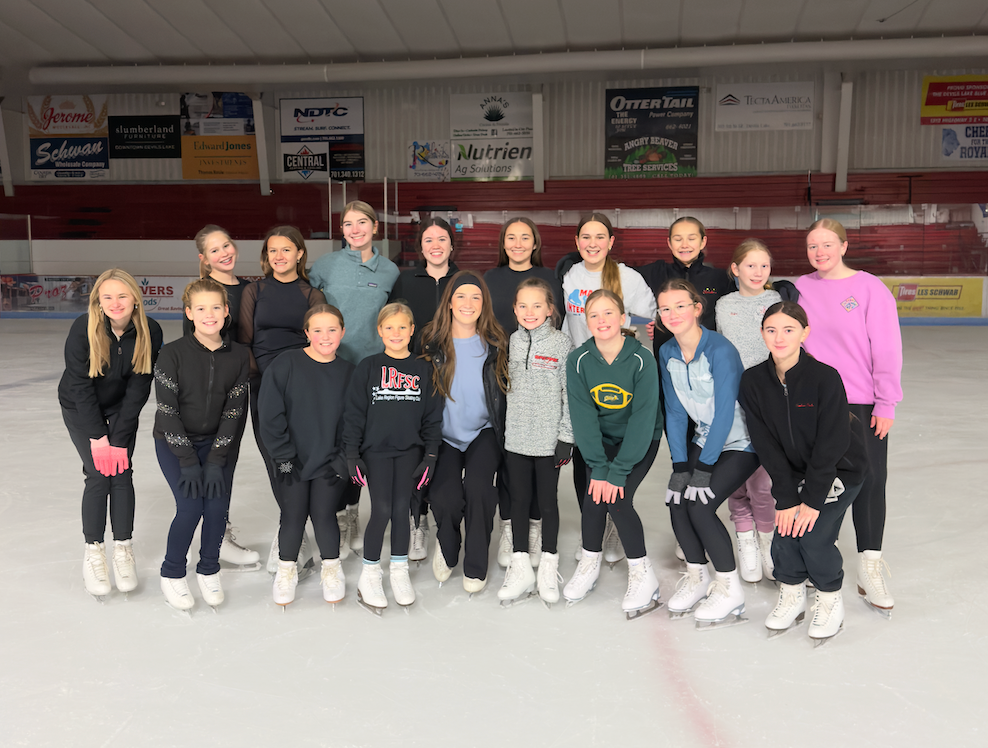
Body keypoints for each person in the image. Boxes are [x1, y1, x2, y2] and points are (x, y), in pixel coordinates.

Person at [740, 301, 869, 643]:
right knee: (784, 532)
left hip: (840, 468)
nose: (779, 337)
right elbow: (765, 444)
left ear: (804, 333)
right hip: (794, 472)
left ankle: (829, 599)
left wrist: (810, 500)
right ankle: (793, 592)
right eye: (771, 330)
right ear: (762, 334)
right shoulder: (752, 381)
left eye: (788, 329)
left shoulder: (824, 378)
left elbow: (833, 442)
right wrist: (785, 498)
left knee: (812, 533)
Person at [795, 218, 902, 618]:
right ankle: (819, 556)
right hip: (814, 401)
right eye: (812, 246)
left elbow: (887, 348)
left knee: (870, 480)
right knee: (822, 479)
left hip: (860, 402)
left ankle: (870, 565)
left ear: (843, 245)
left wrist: (886, 401)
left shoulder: (869, 288)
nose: (819, 252)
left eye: (826, 245)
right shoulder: (799, 288)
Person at [657, 279, 760, 630]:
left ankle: (729, 587)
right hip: (704, 438)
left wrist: (703, 468)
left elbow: (725, 414)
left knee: (700, 504)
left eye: (680, 306)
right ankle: (697, 576)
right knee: (676, 499)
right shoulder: (667, 352)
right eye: (665, 308)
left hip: (742, 442)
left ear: (697, 308)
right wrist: (680, 465)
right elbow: (674, 412)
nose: (672, 314)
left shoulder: (720, 349)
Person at [556, 213, 656, 565]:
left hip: (618, 378)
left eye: (600, 236)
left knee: (616, 463)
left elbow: (646, 329)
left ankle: (614, 519)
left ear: (612, 241)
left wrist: (624, 346)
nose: (593, 243)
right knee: (585, 461)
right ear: (577, 241)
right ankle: (593, 533)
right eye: (586, 236)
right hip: (583, 376)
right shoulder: (570, 277)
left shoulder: (628, 278)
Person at [58, 268, 163, 601]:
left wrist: (117, 438)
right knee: (97, 475)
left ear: (135, 298)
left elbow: (139, 388)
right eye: (108, 297)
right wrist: (98, 437)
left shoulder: (151, 331)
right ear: (99, 302)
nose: (116, 303)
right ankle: (93, 552)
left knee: (121, 473)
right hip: (80, 408)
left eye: (122, 296)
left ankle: (123, 549)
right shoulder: (83, 329)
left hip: (120, 410)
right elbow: (79, 385)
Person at [563, 290, 663, 619]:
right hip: (601, 441)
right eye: (594, 315)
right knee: (594, 494)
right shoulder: (578, 360)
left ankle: (642, 572)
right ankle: (589, 562)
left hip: (639, 439)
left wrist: (616, 472)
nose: (602, 320)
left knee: (617, 497)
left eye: (609, 314)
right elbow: (584, 418)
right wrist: (598, 467)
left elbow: (643, 418)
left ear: (622, 319)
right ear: (586, 321)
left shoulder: (641, 359)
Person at [153, 279, 250, 612]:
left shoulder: (238, 355)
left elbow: (234, 410)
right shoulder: (171, 354)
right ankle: (172, 572)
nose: (209, 314)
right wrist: (188, 460)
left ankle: (209, 567)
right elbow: (167, 411)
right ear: (189, 313)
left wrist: (215, 459)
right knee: (191, 507)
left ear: (226, 312)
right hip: (174, 442)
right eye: (201, 308)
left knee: (217, 508)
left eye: (216, 307)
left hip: (219, 444)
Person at [309, 201, 400, 555]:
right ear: (342, 230)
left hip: (369, 371)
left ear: (375, 227)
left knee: (360, 443)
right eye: (348, 224)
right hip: (330, 368)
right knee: (330, 440)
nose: (355, 229)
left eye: (362, 222)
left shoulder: (389, 270)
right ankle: (329, 511)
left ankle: (351, 513)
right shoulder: (325, 266)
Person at [342, 303, 444, 613]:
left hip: (410, 451)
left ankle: (399, 571)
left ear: (412, 330)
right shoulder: (368, 367)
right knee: (382, 509)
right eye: (389, 327)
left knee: (402, 510)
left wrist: (430, 455)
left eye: (402, 327)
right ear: (380, 331)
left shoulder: (425, 368)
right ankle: (370, 574)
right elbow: (354, 415)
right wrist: (351, 453)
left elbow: (432, 417)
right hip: (376, 452)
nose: (396, 333)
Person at [238, 226, 327, 571]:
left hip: (301, 384)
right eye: (273, 250)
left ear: (300, 254)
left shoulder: (311, 295)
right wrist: (264, 379)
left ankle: (294, 526)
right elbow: (246, 340)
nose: (279, 256)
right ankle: (293, 524)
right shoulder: (254, 291)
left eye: (286, 250)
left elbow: (318, 343)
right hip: (263, 384)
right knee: (275, 456)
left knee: (302, 453)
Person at [258, 305, 354, 606]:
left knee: (324, 515)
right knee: (293, 516)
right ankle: (286, 570)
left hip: (329, 463)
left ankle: (331, 567)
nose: (325, 336)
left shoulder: (349, 373)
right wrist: (284, 458)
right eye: (317, 330)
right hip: (292, 462)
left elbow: (354, 423)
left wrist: (341, 460)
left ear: (342, 332)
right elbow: (271, 416)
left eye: (332, 330)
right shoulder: (285, 364)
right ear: (306, 332)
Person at [420, 270, 508, 594]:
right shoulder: (431, 341)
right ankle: (447, 545)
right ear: (450, 302)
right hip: (442, 434)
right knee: (445, 497)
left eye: (476, 297)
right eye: (461, 296)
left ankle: (476, 563)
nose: (468, 303)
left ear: (484, 303)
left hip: (483, 431)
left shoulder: (496, 342)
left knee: (479, 489)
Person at [484, 217, 566, 567]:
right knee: (509, 465)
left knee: (544, 489)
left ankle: (534, 532)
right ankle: (511, 529)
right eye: (511, 237)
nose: (517, 243)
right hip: (503, 372)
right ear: (503, 243)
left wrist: (567, 434)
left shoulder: (550, 278)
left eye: (525, 237)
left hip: (543, 394)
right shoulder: (490, 278)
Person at [714, 238, 795, 583]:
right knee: (736, 480)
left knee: (763, 482)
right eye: (750, 265)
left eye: (764, 265)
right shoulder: (722, 305)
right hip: (731, 401)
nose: (758, 272)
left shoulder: (777, 301)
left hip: (769, 400)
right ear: (734, 269)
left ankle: (767, 540)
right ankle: (744, 538)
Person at [183, 224, 259, 571]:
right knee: (211, 457)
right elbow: (192, 351)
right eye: (214, 250)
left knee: (226, 458)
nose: (223, 253)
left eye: (226, 245)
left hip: (244, 385)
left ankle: (219, 530)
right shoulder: (203, 293)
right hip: (211, 393)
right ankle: (216, 536)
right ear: (204, 258)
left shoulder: (249, 288)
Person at [497, 278, 573, 608]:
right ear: (514, 309)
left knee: (547, 504)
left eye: (537, 305)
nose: (530, 312)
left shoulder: (561, 344)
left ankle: (548, 563)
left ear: (550, 310)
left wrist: (566, 437)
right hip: (515, 437)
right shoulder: (510, 342)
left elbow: (570, 395)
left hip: (547, 440)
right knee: (517, 501)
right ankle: (519, 564)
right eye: (523, 306)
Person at [387, 217, 459, 563]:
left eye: (442, 239)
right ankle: (419, 521)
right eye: (429, 239)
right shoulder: (405, 280)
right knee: (417, 447)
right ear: (421, 246)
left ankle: (449, 514)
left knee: (447, 446)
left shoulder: (461, 281)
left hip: (456, 375)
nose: (435, 245)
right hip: (415, 377)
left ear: (451, 244)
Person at [638, 216, 733, 348]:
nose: (684, 245)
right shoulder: (656, 272)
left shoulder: (721, 278)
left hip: (709, 354)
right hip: (666, 354)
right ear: (669, 243)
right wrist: (652, 319)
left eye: (691, 239)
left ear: (703, 241)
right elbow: (617, 275)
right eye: (678, 239)